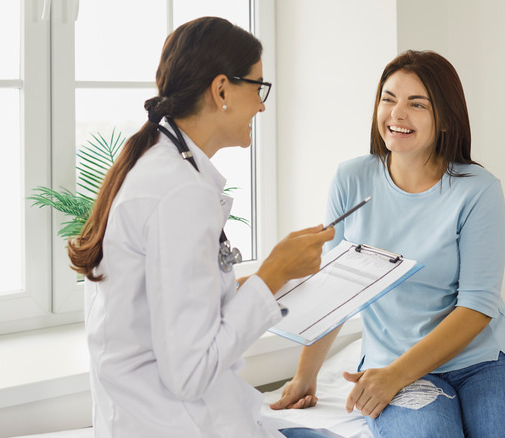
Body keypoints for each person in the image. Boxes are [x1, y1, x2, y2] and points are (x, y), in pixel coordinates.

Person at [67, 17, 335, 438]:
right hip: (177, 423)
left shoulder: (160, 162)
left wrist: (276, 279)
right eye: (258, 87)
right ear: (222, 89)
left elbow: (187, 305)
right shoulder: (179, 192)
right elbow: (190, 374)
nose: (263, 106)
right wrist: (273, 272)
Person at [271, 50, 505, 437]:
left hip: (486, 361)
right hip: (392, 361)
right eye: (388, 98)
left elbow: (476, 307)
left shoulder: (478, 191)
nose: (397, 114)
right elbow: (336, 289)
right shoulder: (352, 179)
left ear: (445, 117)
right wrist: (303, 377)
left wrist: (394, 376)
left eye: (417, 104)